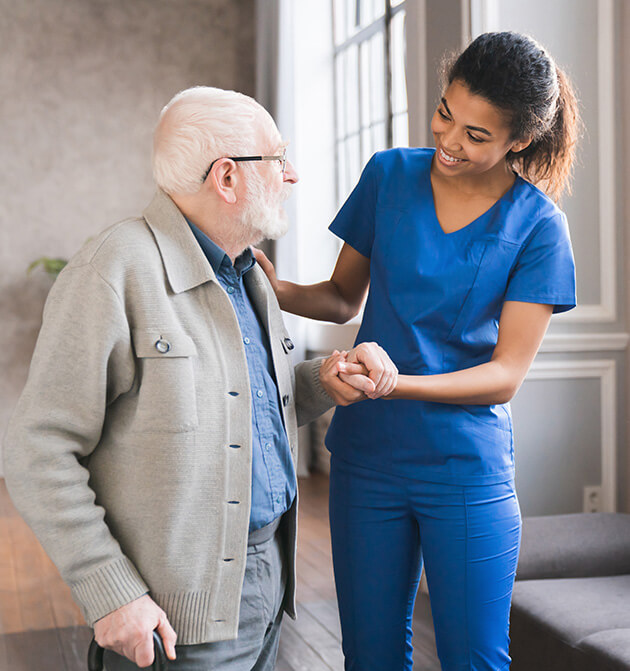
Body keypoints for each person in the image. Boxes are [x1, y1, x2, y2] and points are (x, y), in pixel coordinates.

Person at [3, 86, 397, 670]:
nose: (292, 175)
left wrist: (322, 379)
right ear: (228, 178)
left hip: (268, 581)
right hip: (171, 620)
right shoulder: (113, 270)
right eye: (278, 158)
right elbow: (39, 450)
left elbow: (244, 403)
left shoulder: (250, 274)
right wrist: (113, 596)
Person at [255, 32, 580, 671]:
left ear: (518, 141)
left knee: (473, 660)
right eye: (445, 113)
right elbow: (344, 297)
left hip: (465, 469)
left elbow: (504, 376)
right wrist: (275, 287)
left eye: (477, 135)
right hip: (367, 459)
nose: (450, 141)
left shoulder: (540, 226)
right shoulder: (389, 174)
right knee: (370, 658)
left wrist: (393, 384)